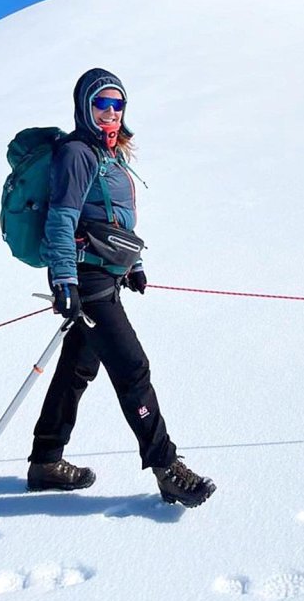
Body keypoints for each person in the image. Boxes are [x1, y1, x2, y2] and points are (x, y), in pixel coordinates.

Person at [26, 67, 216, 508]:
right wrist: (64, 281)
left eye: (117, 104)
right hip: (86, 278)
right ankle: (167, 468)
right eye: (101, 104)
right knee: (132, 369)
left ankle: (46, 462)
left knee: (77, 368)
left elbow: (116, 217)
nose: (111, 113)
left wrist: (134, 263)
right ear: (84, 107)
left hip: (106, 273)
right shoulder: (77, 152)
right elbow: (62, 217)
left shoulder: (111, 153)